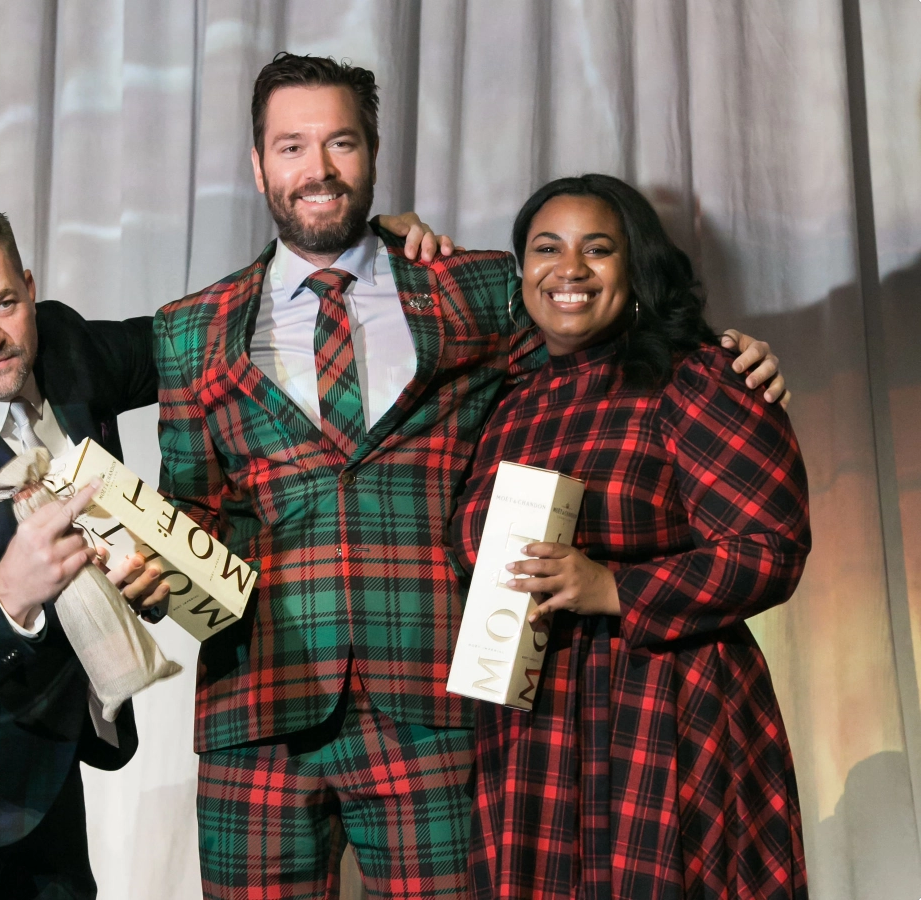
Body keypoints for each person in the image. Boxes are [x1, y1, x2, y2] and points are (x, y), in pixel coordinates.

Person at [143, 53, 787, 899]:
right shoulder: (190, 328)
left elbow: (592, 342)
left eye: (341, 142)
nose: (318, 169)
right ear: (259, 165)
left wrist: (724, 351)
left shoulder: (477, 289)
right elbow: (192, 504)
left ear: (373, 152)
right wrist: (153, 573)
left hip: (435, 708)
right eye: (291, 146)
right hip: (257, 709)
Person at [0, 182, 458, 899]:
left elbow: (197, 336)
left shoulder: (63, 347)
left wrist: (348, 251)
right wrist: (12, 594)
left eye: (4, 304)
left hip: (42, 766)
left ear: (29, 287)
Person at [450, 174, 810, 899]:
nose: (570, 269)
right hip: (532, 722)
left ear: (635, 267)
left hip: (663, 705)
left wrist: (614, 588)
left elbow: (771, 548)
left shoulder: (698, 378)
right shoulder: (505, 404)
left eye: (598, 249)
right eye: (547, 248)